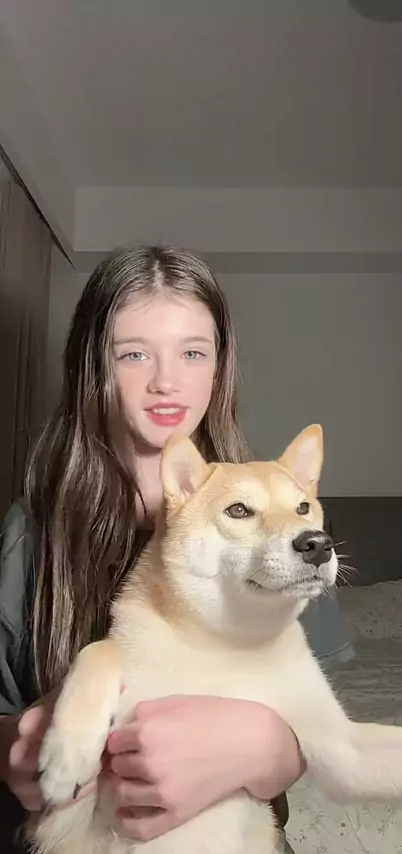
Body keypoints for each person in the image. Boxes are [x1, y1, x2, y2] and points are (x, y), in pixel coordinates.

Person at [0, 245, 302, 853]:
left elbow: (314, 732)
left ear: (220, 367)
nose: (167, 381)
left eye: (193, 352)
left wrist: (273, 748)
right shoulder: (31, 534)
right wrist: (14, 749)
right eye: (133, 353)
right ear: (93, 367)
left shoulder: (278, 518)